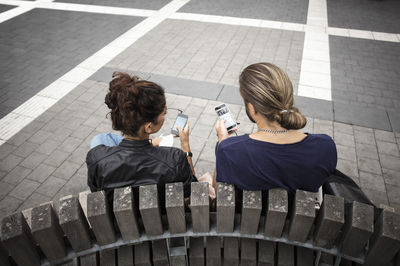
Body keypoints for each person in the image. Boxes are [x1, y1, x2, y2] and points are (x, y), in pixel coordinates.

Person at [86, 72, 214, 205]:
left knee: (101, 139)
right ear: (148, 127)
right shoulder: (175, 159)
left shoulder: (96, 159)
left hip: (120, 224)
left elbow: (97, 192)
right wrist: (185, 145)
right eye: (164, 112)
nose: (165, 115)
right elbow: (194, 192)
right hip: (164, 222)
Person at [214, 62, 337, 197]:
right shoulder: (325, 147)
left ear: (252, 108)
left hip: (251, 217)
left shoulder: (230, 151)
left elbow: (219, 193)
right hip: (303, 217)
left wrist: (222, 141)